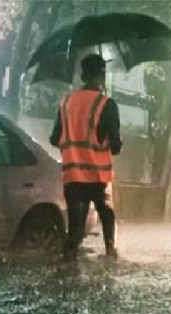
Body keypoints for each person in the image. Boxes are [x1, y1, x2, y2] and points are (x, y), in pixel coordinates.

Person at [50, 53, 123, 262]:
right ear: (102, 76)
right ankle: (110, 253)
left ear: (83, 75)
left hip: (72, 176)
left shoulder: (66, 102)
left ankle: (67, 267)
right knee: (106, 215)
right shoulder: (107, 104)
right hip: (97, 176)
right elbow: (115, 146)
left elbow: (55, 139)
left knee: (75, 228)